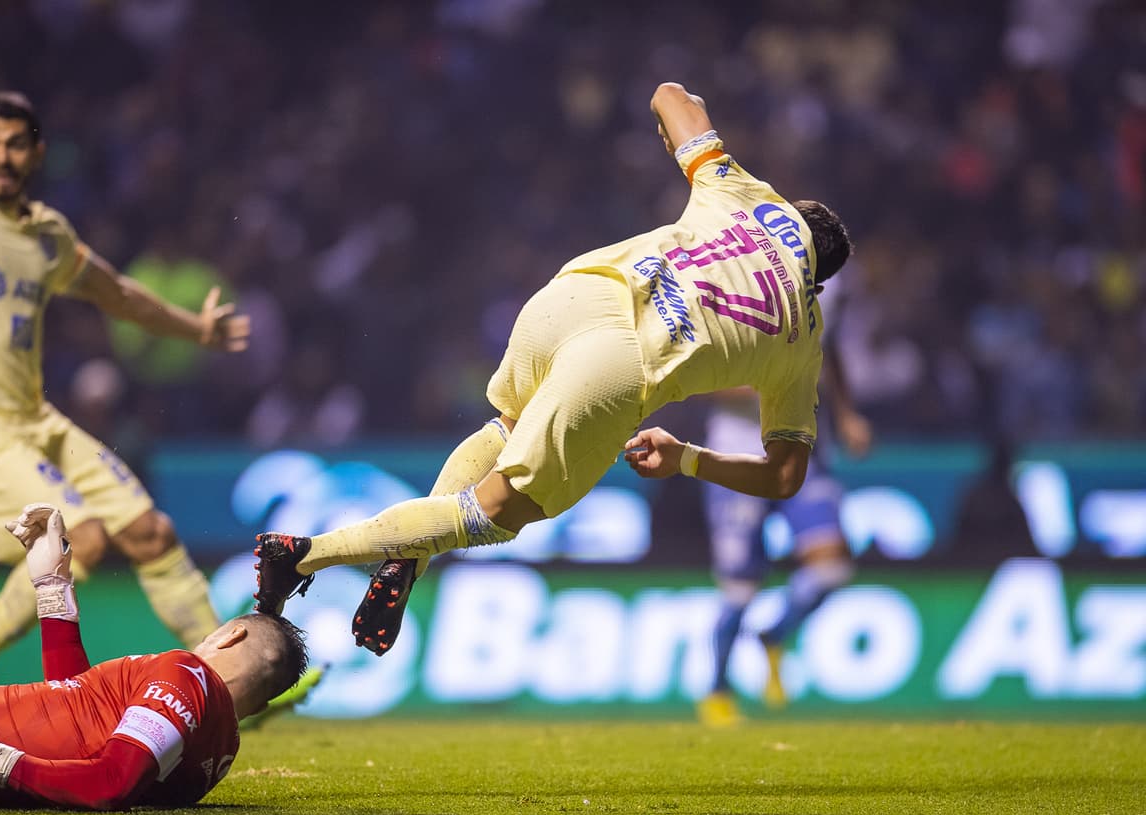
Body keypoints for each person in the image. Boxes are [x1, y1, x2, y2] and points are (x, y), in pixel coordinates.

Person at [248, 81, 853, 656]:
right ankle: (304, 556)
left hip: (571, 296)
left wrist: (678, 141)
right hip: (619, 366)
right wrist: (686, 458)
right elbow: (783, 478)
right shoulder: (804, 339)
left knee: (509, 426)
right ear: (819, 283)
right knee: (495, 513)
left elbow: (672, 96)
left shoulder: (741, 191)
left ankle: (408, 550)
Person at [0, 92, 249, 689]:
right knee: (84, 539)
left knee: (152, 534)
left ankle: (230, 668)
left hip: (34, 419)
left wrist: (195, 328)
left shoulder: (48, 234)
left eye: (15, 144)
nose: (2, 156)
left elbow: (118, 293)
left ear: (37, 152)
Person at [0, 503, 308, 810]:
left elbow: (109, 783)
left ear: (231, 636)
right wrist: (53, 587)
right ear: (262, 705)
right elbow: (75, 703)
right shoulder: (215, 756)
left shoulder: (188, 673)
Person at [690, 317, 872, 726]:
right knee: (740, 588)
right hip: (737, 460)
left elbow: (831, 352)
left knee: (833, 567)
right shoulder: (726, 308)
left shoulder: (812, 297)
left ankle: (775, 633)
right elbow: (698, 381)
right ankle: (717, 690)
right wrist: (775, 381)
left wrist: (845, 415)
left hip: (802, 453)